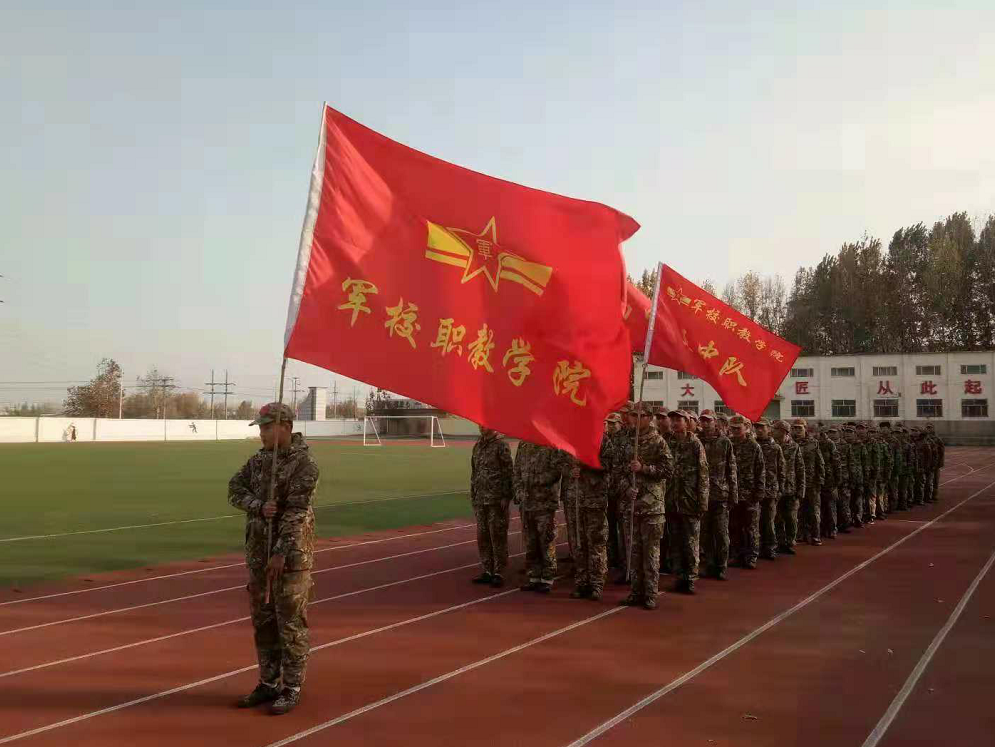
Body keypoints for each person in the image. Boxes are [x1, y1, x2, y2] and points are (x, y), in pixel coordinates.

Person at [229, 402, 319, 715]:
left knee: (290, 623)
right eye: (261, 428)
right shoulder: (258, 462)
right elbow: (234, 488)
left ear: (286, 426)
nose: (263, 434)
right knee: (263, 622)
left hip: (290, 558)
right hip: (258, 554)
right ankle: (267, 682)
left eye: (267, 427)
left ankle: (291, 687)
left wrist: (281, 551)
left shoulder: (304, 464)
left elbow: (296, 512)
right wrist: (256, 504)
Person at [619, 403, 674, 610]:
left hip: (652, 506)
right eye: (632, 415)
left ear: (649, 418)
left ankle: (650, 593)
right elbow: (617, 470)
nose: (634, 418)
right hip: (632, 505)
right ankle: (636, 591)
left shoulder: (658, 442)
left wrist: (644, 468)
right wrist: (626, 488)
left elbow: (668, 470)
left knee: (650, 553)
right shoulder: (626, 441)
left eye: (639, 415)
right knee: (633, 552)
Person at [514, 440, 571, 593]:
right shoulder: (523, 445)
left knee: (546, 540)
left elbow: (556, 471)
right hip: (527, 502)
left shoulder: (550, 444)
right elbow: (517, 470)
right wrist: (519, 490)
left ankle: (547, 577)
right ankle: (534, 576)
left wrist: (536, 481)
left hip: (544, 502)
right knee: (530, 541)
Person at [570, 420, 616, 601]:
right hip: (578, 500)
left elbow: (608, 464)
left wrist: (585, 465)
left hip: (596, 500)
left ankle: (596, 584)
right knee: (580, 544)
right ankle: (582, 583)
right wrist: (572, 470)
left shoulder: (604, 441)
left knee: (596, 544)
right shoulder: (577, 441)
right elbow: (567, 464)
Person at [665, 409, 708, 593]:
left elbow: (703, 475)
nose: (675, 423)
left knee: (690, 542)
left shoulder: (695, 444)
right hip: (671, 500)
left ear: (687, 422)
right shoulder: (668, 442)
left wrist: (703, 502)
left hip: (690, 501)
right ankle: (679, 576)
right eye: (673, 420)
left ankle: (690, 578)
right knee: (675, 542)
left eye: (679, 420)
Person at [469, 425, 514, 588]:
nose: (482, 427)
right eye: (480, 425)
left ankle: (499, 571)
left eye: (485, 424)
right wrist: (473, 494)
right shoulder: (478, 445)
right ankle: (487, 570)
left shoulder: (501, 445)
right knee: (483, 535)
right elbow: (475, 472)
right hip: (481, 498)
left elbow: (509, 471)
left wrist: (506, 495)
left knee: (497, 535)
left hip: (496, 499)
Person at [698, 410, 738, 580]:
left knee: (721, 533)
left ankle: (721, 566)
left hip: (720, 495)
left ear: (715, 422)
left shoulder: (725, 442)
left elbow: (732, 469)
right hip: (702, 495)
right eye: (703, 421)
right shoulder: (697, 441)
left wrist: (733, 494)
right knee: (705, 533)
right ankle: (710, 564)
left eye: (709, 421)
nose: (706, 424)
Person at [729, 415, 766, 568]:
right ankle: (738, 555)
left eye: (738, 428)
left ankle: (751, 556)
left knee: (751, 527)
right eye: (733, 428)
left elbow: (760, 470)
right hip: (733, 493)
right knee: (735, 526)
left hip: (750, 493)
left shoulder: (753, 446)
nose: (736, 431)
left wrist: (759, 491)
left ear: (746, 428)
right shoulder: (729, 444)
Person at [754, 418, 785, 559]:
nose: (759, 430)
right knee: (754, 522)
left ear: (769, 429)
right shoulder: (752, 445)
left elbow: (781, 470)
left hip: (771, 489)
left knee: (769, 521)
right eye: (757, 428)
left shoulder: (775, 447)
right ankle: (756, 547)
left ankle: (770, 547)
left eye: (762, 427)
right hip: (754, 490)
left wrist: (780, 489)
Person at [773, 420, 804, 554]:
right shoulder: (773, 446)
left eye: (776, 429)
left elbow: (800, 468)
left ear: (784, 431)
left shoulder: (794, 447)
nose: (773, 431)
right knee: (778, 518)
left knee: (791, 518)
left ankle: (790, 541)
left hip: (791, 488)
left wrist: (801, 490)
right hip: (777, 488)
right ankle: (780, 542)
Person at [793, 418, 825, 545]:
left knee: (814, 511)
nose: (797, 430)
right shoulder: (791, 443)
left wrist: (820, 480)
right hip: (796, 482)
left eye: (799, 428)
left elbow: (820, 463)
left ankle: (816, 535)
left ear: (805, 429)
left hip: (812, 482)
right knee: (799, 510)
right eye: (794, 428)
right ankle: (801, 534)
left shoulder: (813, 443)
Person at [815, 423, 842, 539]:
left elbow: (837, 463)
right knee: (819, 507)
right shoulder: (815, 444)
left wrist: (837, 481)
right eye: (821, 433)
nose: (822, 435)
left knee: (830, 506)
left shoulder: (830, 444)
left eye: (825, 433)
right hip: (817, 479)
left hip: (829, 479)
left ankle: (832, 529)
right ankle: (822, 529)